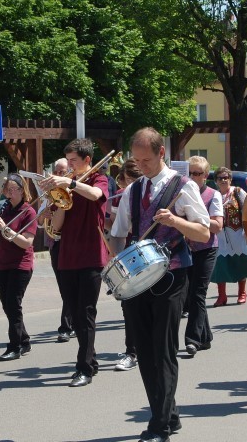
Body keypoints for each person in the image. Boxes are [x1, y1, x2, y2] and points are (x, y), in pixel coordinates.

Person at [109, 127, 210, 442]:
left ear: (162, 153)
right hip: (138, 280)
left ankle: (160, 425)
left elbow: (204, 233)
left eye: (147, 160)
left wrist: (176, 221)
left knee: (163, 350)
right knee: (145, 350)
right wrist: (116, 263)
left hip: (173, 274)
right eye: (137, 161)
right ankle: (170, 414)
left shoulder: (184, 187)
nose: (142, 166)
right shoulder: (134, 190)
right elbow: (118, 232)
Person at [38, 138, 109, 388]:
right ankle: (91, 358)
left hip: (91, 254)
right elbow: (55, 229)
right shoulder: (68, 186)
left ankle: (84, 367)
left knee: (86, 311)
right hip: (67, 254)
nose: (68, 165)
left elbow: (96, 195)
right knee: (74, 312)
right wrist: (56, 203)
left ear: (87, 160)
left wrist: (69, 182)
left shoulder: (98, 178)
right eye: (67, 161)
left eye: (73, 161)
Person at [0, 174, 37, 361]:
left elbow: (26, 243)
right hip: (2, 264)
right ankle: (24, 340)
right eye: (6, 190)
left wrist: (6, 229)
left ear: (22, 191)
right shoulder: (4, 211)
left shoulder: (28, 212)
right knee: (7, 305)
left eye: (12, 190)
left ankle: (14, 346)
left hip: (21, 265)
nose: (8, 194)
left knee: (13, 304)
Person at [104, 158, 143, 371]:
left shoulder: (146, 194)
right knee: (128, 305)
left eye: (133, 180)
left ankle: (145, 348)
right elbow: (117, 229)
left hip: (145, 251)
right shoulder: (122, 197)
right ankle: (132, 351)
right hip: (127, 253)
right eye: (127, 180)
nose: (129, 185)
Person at [183, 156, 223, 357]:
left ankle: (192, 339)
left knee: (198, 292)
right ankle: (205, 336)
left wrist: (197, 219)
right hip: (187, 248)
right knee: (190, 294)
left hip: (207, 248)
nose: (192, 177)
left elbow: (217, 226)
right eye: (189, 172)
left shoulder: (213, 195)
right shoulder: (181, 194)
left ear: (206, 176)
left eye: (197, 173)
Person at [210, 167, 247, 306]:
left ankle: (242, 292)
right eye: (220, 178)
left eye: (226, 177)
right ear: (216, 181)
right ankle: (222, 296)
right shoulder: (214, 195)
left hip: (237, 233)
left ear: (230, 179)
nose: (223, 180)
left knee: (240, 261)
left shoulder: (237, 192)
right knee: (220, 266)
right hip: (220, 235)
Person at [43, 158, 75, 343]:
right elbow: (41, 222)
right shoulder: (50, 194)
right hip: (55, 242)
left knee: (69, 286)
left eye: (63, 171)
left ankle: (66, 326)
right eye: (57, 171)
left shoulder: (72, 190)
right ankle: (72, 323)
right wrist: (45, 216)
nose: (60, 174)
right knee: (64, 287)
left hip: (69, 242)